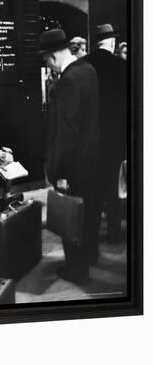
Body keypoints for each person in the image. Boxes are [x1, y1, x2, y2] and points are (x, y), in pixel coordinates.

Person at [40, 28, 99, 283]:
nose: (48, 67)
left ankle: (76, 270)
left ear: (53, 56)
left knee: (70, 218)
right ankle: (85, 261)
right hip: (91, 161)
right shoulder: (89, 70)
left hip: (73, 166)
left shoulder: (68, 81)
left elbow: (66, 134)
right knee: (85, 218)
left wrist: (60, 173)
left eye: (46, 62)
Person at [86, 24, 127, 244]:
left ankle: (91, 240)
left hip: (90, 140)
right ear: (111, 43)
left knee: (92, 191)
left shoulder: (84, 66)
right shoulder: (122, 67)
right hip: (114, 138)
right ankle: (114, 232)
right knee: (113, 188)